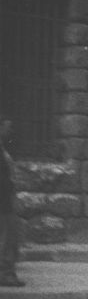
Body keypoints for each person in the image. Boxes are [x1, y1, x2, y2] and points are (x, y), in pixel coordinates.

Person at [0, 112, 24, 287]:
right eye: (7, 126)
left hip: (6, 198)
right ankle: (6, 274)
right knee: (8, 237)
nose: (10, 130)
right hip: (4, 201)